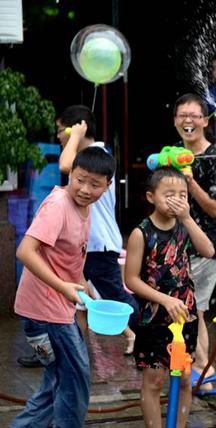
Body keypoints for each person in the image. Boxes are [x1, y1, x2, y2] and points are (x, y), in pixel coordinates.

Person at [11, 147, 115, 428]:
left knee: (58, 377)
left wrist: (81, 283)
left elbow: (69, 253)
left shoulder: (85, 206)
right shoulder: (58, 205)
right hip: (44, 311)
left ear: (107, 186)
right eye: (80, 179)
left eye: (95, 184)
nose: (84, 189)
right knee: (75, 376)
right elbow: (25, 251)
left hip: (55, 307)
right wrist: (62, 287)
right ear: (71, 173)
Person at [124, 167, 214, 428]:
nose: (176, 199)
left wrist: (187, 219)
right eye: (169, 194)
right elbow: (131, 279)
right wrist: (164, 299)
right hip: (155, 318)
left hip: (185, 316)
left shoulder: (185, 227)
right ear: (151, 196)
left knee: (185, 376)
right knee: (154, 379)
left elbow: (208, 250)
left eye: (182, 195)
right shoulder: (141, 233)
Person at [57, 105, 138, 355]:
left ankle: (150, 333)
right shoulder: (91, 155)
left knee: (117, 298)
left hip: (98, 245)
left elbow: (64, 165)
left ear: (76, 128)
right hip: (88, 244)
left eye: (61, 131)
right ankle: (74, 348)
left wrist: (75, 137)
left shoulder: (95, 156)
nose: (58, 136)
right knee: (81, 297)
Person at [173, 93, 216, 395]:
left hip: (206, 245)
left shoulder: (214, 158)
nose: (188, 121)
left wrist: (190, 182)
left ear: (205, 121)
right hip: (178, 245)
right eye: (182, 115)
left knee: (196, 308)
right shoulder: (173, 154)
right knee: (191, 309)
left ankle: (203, 371)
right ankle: (198, 371)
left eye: (194, 115)